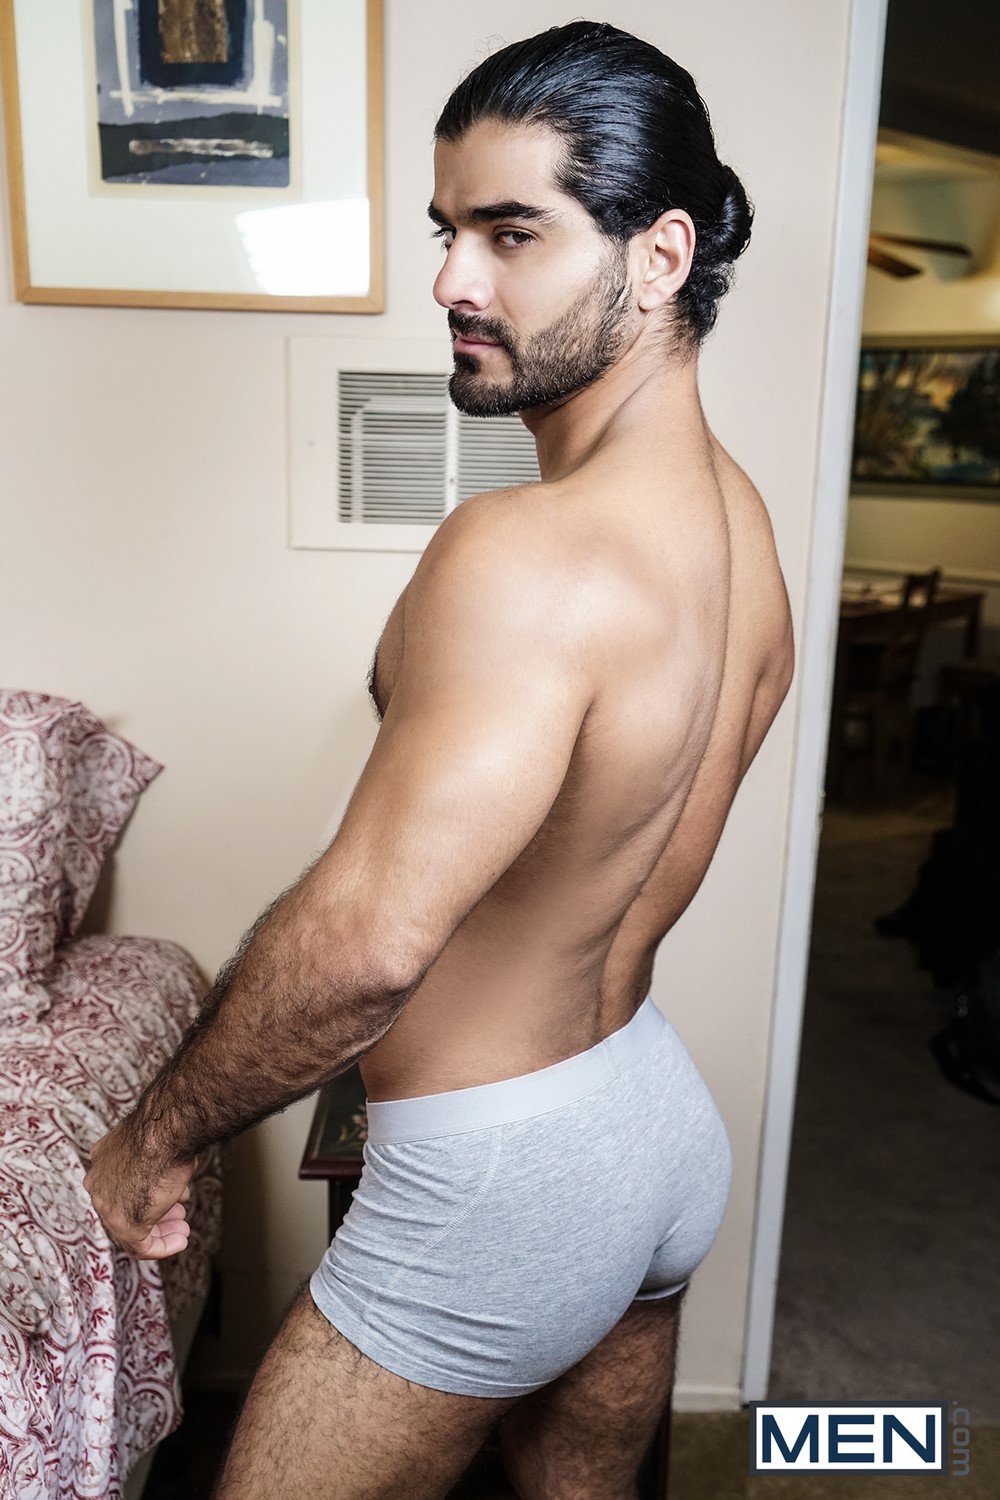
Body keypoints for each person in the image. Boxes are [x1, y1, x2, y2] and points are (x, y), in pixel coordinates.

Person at [85, 20, 793, 1500]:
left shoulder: (524, 552)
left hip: (500, 1179)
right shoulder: (739, 523)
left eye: (511, 233)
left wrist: (153, 1139)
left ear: (660, 257)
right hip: (647, 1115)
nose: (452, 282)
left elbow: (367, 946)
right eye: (447, 231)